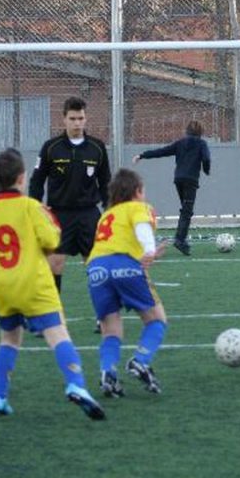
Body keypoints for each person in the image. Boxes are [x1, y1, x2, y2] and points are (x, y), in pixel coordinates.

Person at [0, 148, 105, 420]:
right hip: (35, 284)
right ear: (22, 178)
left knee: (9, 339)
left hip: (2, 288)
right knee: (58, 333)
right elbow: (53, 241)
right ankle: (76, 385)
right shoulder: (32, 207)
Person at [87, 168, 169, 396]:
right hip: (124, 266)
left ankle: (108, 372)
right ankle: (140, 360)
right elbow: (142, 228)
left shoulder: (106, 216)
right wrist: (150, 251)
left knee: (110, 329)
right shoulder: (138, 208)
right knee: (156, 320)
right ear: (137, 191)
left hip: (96, 270)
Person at [29, 96, 111, 293]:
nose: (77, 123)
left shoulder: (97, 147)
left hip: (89, 214)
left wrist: (109, 209)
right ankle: (53, 317)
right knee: (54, 264)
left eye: (80, 118)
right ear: (64, 119)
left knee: (96, 267)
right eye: (73, 119)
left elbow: (106, 181)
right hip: (59, 215)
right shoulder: (51, 147)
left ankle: (103, 318)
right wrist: (35, 209)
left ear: (86, 119)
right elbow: (37, 181)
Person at [132, 120, 211, 256]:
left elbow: (162, 151)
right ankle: (180, 240)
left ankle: (181, 239)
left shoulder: (180, 143)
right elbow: (207, 158)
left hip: (178, 179)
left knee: (186, 209)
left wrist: (142, 155)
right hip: (190, 180)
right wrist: (206, 169)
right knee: (187, 211)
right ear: (200, 133)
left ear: (187, 132)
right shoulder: (201, 144)